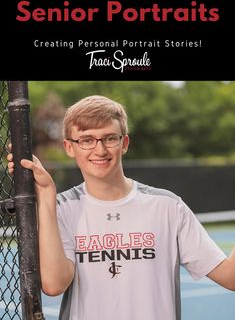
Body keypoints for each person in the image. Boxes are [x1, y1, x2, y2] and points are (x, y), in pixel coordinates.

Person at [7, 95, 235, 320]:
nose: (100, 150)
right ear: (69, 147)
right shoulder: (60, 207)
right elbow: (54, 284)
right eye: (86, 140)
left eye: (109, 138)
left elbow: (230, 277)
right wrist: (46, 195)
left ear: (124, 143)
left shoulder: (167, 207)